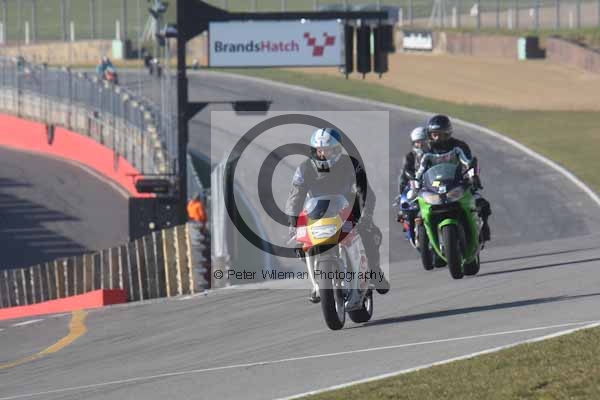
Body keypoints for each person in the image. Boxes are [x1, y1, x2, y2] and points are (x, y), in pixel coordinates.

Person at [285, 128, 390, 303]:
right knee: (300, 246)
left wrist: (366, 216)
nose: (322, 154)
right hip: (316, 213)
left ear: (336, 150)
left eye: (326, 150)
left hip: (347, 209)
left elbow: (365, 192)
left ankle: (374, 271)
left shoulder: (351, 164)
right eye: (319, 150)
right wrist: (293, 221)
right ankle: (317, 283)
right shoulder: (304, 168)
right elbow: (295, 195)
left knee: (370, 234)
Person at [422, 114, 492, 242]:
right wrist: (415, 183)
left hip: (457, 184)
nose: (437, 138)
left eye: (441, 135)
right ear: (429, 135)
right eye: (434, 134)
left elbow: (469, 162)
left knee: (482, 204)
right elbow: (420, 170)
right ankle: (424, 241)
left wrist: (473, 177)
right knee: (417, 211)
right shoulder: (425, 150)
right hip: (434, 187)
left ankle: (484, 229)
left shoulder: (458, 146)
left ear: (448, 133)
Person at [396, 126, 429, 229]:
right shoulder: (410, 156)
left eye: (423, 141)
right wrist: (413, 177)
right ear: (413, 143)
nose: (420, 145)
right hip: (415, 182)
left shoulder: (433, 154)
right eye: (417, 142)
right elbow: (406, 170)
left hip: (430, 182)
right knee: (404, 183)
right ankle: (402, 204)